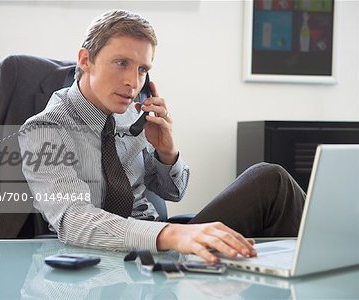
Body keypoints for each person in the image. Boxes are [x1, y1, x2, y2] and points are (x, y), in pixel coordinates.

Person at [18, 10, 305, 263]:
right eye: (122, 63)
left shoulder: (132, 114)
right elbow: (73, 220)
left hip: (157, 251)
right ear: (86, 60)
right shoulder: (45, 130)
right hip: (102, 259)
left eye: (142, 69)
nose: (133, 81)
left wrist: (167, 153)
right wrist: (170, 234)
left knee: (271, 181)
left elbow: (172, 192)